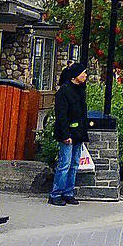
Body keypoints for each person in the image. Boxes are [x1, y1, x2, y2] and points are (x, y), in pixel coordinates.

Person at [49, 62, 87, 206]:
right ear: (75, 76)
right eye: (83, 73)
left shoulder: (81, 90)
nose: (85, 76)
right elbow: (61, 115)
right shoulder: (64, 91)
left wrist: (83, 134)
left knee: (74, 164)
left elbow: (82, 114)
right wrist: (65, 135)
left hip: (78, 133)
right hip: (68, 133)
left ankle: (68, 192)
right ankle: (56, 193)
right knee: (64, 164)